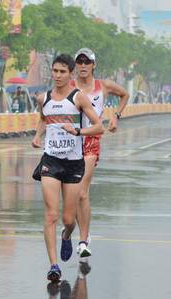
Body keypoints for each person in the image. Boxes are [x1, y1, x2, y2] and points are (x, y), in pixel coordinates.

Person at [32, 54, 103, 282]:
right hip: (51, 161)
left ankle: (67, 235)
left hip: (73, 163)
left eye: (63, 72)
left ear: (70, 74)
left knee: (68, 219)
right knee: (51, 214)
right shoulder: (44, 98)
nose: (58, 75)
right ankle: (53, 265)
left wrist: (78, 132)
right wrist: (37, 136)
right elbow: (44, 118)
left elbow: (98, 126)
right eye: (55, 71)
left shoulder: (78, 98)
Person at [67, 48, 129, 259]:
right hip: (69, 143)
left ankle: (83, 241)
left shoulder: (103, 86)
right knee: (73, 195)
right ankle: (72, 232)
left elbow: (125, 94)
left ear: (94, 65)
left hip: (91, 141)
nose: (83, 65)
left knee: (82, 192)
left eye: (87, 62)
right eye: (79, 61)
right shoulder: (68, 85)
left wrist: (115, 117)